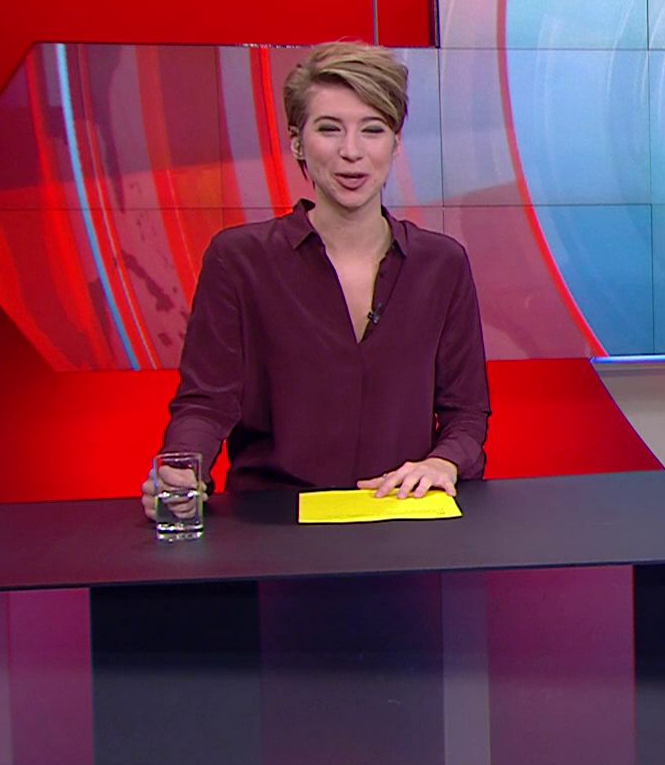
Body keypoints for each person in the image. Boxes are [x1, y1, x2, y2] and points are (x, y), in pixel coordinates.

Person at [142, 42, 489, 514]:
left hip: (403, 517)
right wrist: (184, 471)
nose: (351, 152)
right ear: (297, 142)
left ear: (395, 144)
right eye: (329, 129)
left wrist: (443, 463)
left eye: (372, 129)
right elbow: (206, 403)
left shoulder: (441, 264)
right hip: (274, 522)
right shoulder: (239, 259)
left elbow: (465, 413)